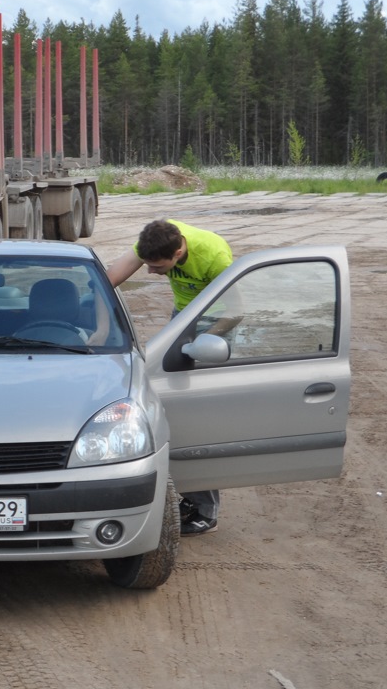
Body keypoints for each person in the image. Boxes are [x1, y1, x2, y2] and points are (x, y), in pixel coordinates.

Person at [106, 218, 234, 536]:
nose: (149, 272)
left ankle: (206, 512)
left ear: (178, 253)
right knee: (166, 403)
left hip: (215, 323)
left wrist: (196, 345)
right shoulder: (155, 239)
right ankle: (191, 498)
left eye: (156, 267)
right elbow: (111, 278)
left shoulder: (214, 256)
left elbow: (235, 309)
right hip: (183, 318)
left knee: (196, 413)